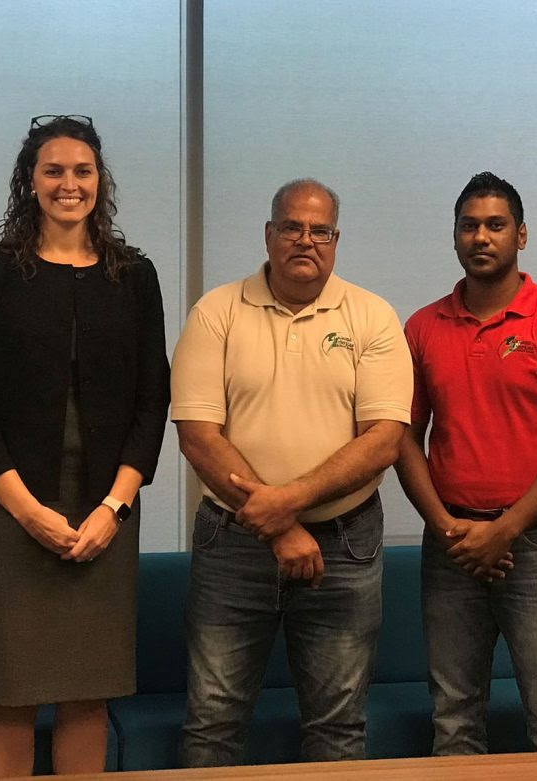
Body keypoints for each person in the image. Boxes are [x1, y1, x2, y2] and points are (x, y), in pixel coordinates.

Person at [0, 115, 170, 777]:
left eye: (82, 170)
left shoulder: (134, 276)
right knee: (9, 696)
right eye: (53, 170)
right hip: (8, 512)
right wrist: (27, 510)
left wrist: (115, 509)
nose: (68, 183)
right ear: (30, 181)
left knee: (86, 693)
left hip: (104, 512)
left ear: (100, 180)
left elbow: (150, 400)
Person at [171, 178, 412, 766]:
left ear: (336, 239)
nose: (306, 240)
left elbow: (384, 440)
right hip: (234, 545)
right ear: (269, 234)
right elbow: (198, 436)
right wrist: (279, 526)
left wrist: (290, 502)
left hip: (345, 545)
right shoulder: (216, 312)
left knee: (337, 727)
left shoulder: (373, 316)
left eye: (320, 230)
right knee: (213, 721)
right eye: (292, 227)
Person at [395, 172, 537, 754]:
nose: (481, 237)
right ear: (455, 236)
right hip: (452, 542)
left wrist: (505, 529)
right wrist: (447, 528)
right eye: (469, 226)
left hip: (535, 544)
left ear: (521, 234)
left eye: (496, 225)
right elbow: (402, 439)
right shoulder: (422, 327)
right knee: (455, 719)